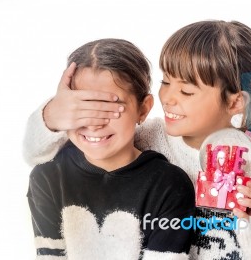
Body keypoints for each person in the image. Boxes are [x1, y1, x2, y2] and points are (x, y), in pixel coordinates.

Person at [24, 21, 251, 259]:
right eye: (166, 81)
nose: (168, 98)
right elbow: (40, 153)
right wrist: (53, 114)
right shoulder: (148, 137)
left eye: (186, 91)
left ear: (235, 102)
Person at [27, 38, 196, 259]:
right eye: (83, 107)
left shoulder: (170, 185)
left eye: (110, 108)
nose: (95, 123)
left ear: (143, 109)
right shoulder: (48, 178)